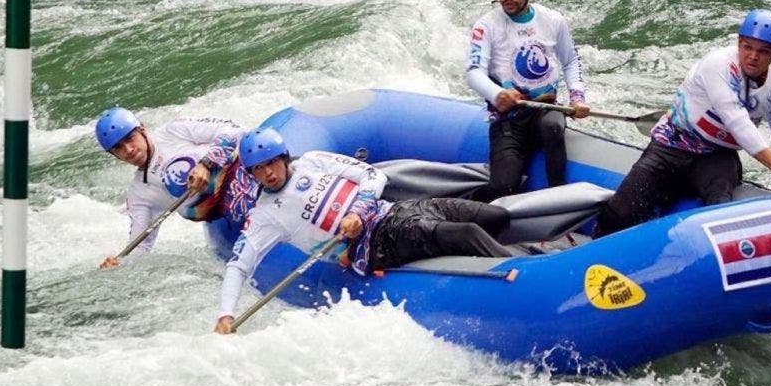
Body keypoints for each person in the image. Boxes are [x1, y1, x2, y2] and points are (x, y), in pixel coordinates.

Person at [214, 127, 513, 333]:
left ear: (283, 157)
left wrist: (358, 211)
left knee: (495, 216)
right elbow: (239, 266)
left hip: (396, 210)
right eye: (257, 169)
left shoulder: (314, 161)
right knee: (467, 233)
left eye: (270, 163)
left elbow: (372, 176)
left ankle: (519, 250)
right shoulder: (266, 215)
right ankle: (521, 272)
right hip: (376, 243)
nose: (267, 173)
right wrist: (225, 315)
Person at [593, 9, 771, 238]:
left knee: (719, 212)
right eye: (747, 47)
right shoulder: (718, 64)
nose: (753, 56)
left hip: (717, 157)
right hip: (672, 145)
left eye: (763, 52)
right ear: (739, 43)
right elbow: (737, 121)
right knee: (619, 214)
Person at [466, 0, 591, 202]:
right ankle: (468, 204)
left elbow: (570, 61)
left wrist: (577, 96)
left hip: (545, 107)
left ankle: (558, 198)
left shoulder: (553, 20)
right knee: (504, 187)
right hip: (509, 118)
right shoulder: (486, 26)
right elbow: (473, 72)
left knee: (553, 127)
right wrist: (497, 94)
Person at [95, 107, 258, 268]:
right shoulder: (139, 195)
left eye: (130, 138)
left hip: (252, 177)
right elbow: (140, 247)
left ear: (142, 129)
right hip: (230, 219)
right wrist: (119, 264)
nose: (128, 150)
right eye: (118, 148)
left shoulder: (173, 131)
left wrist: (207, 163)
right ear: (114, 155)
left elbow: (235, 130)